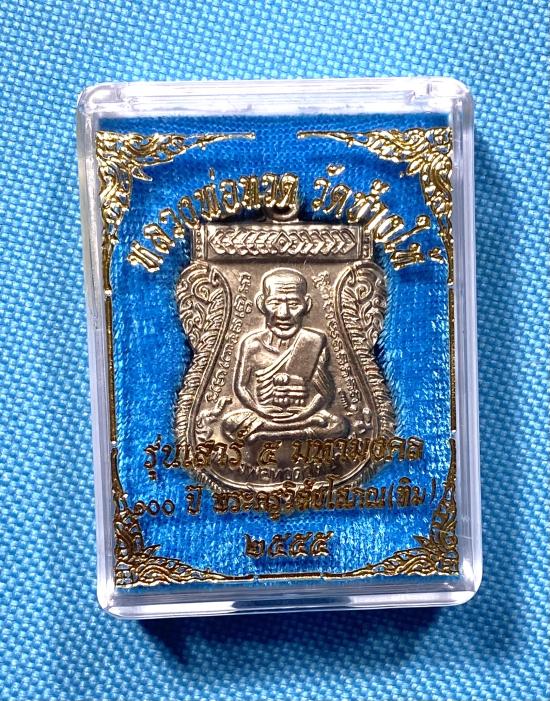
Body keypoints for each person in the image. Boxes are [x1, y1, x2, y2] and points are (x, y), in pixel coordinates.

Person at [222, 268, 347, 443]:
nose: (284, 314)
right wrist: (259, 410)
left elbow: (325, 394)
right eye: (274, 303)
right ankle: (296, 432)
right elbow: (241, 387)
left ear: (307, 304)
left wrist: (305, 413)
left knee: (339, 424)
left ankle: (269, 435)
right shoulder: (252, 344)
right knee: (229, 424)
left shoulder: (313, 341)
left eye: (294, 304)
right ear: (261, 303)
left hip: (303, 414)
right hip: (264, 414)